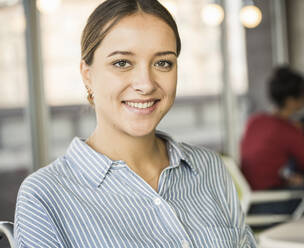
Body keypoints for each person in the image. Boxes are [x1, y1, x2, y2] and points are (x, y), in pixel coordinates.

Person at [14, 1, 257, 247]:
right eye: (122, 63)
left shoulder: (210, 168)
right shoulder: (44, 196)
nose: (146, 84)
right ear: (87, 75)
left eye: (163, 63)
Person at [240, 67, 304, 213]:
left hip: (246, 201)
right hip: (269, 204)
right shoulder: (290, 129)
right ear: (292, 100)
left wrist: (287, 179)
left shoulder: (254, 121)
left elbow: (259, 164)